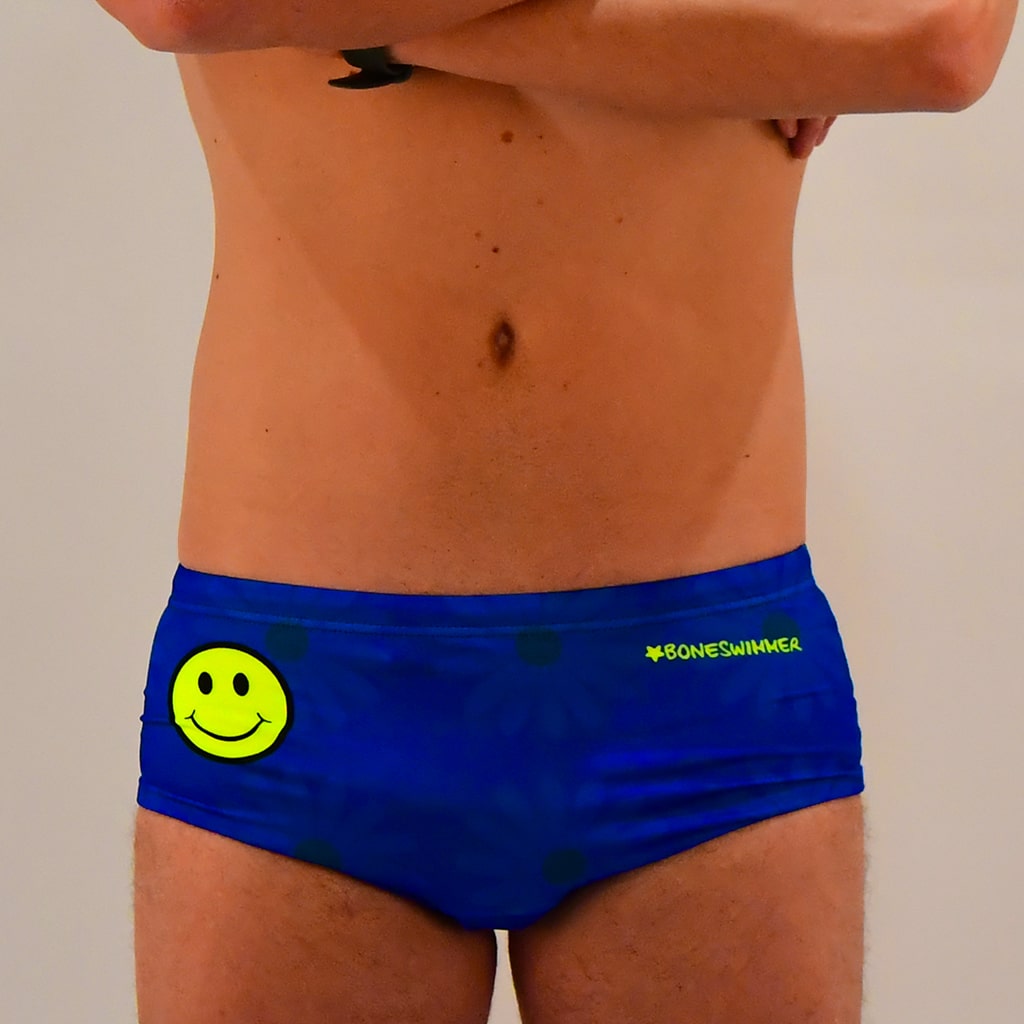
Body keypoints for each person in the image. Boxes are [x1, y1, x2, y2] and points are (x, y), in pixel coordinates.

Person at [95, 1, 1016, 1022]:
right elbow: (189, 5)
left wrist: (345, 25)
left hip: (695, 670)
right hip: (294, 670)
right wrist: (722, 37)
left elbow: (935, 36)